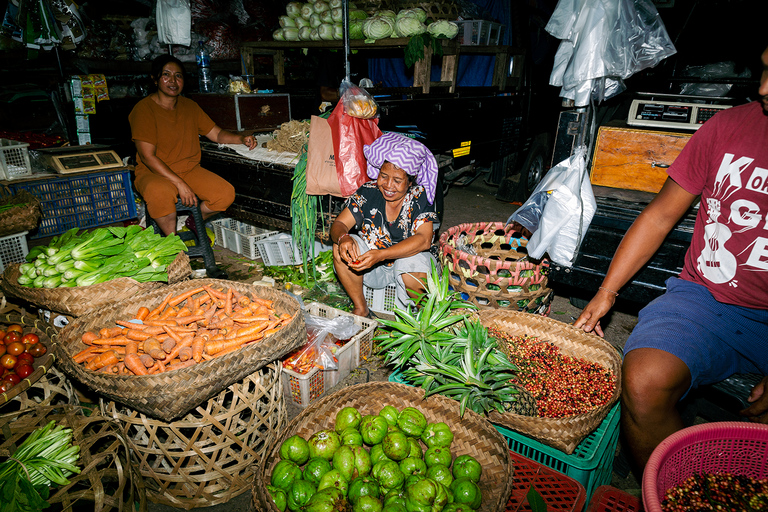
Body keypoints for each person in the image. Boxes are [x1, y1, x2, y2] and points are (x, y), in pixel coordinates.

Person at [573, 45, 768, 476]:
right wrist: (607, 291)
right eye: (765, 69)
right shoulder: (728, 127)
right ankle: (677, 488)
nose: (763, 87)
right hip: (705, 299)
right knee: (642, 381)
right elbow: (661, 214)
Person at [128, 54, 257, 235]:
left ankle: (194, 221)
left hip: (188, 170)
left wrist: (241, 139)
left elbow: (217, 134)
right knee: (160, 193)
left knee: (225, 194)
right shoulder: (143, 110)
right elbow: (148, 157)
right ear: (155, 79)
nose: (173, 81)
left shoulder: (189, 106)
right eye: (166, 75)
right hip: (154, 172)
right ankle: (172, 243)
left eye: (178, 75)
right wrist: (180, 184)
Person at [331, 132, 439, 318]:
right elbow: (340, 223)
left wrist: (381, 255)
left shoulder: (419, 196)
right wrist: (343, 238)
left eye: (397, 180)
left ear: (410, 181)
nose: (388, 185)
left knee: (410, 264)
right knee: (340, 249)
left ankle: (425, 319)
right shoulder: (368, 192)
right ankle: (361, 308)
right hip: (373, 267)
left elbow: (424, 240)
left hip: (408, 267)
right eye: (383, 176)